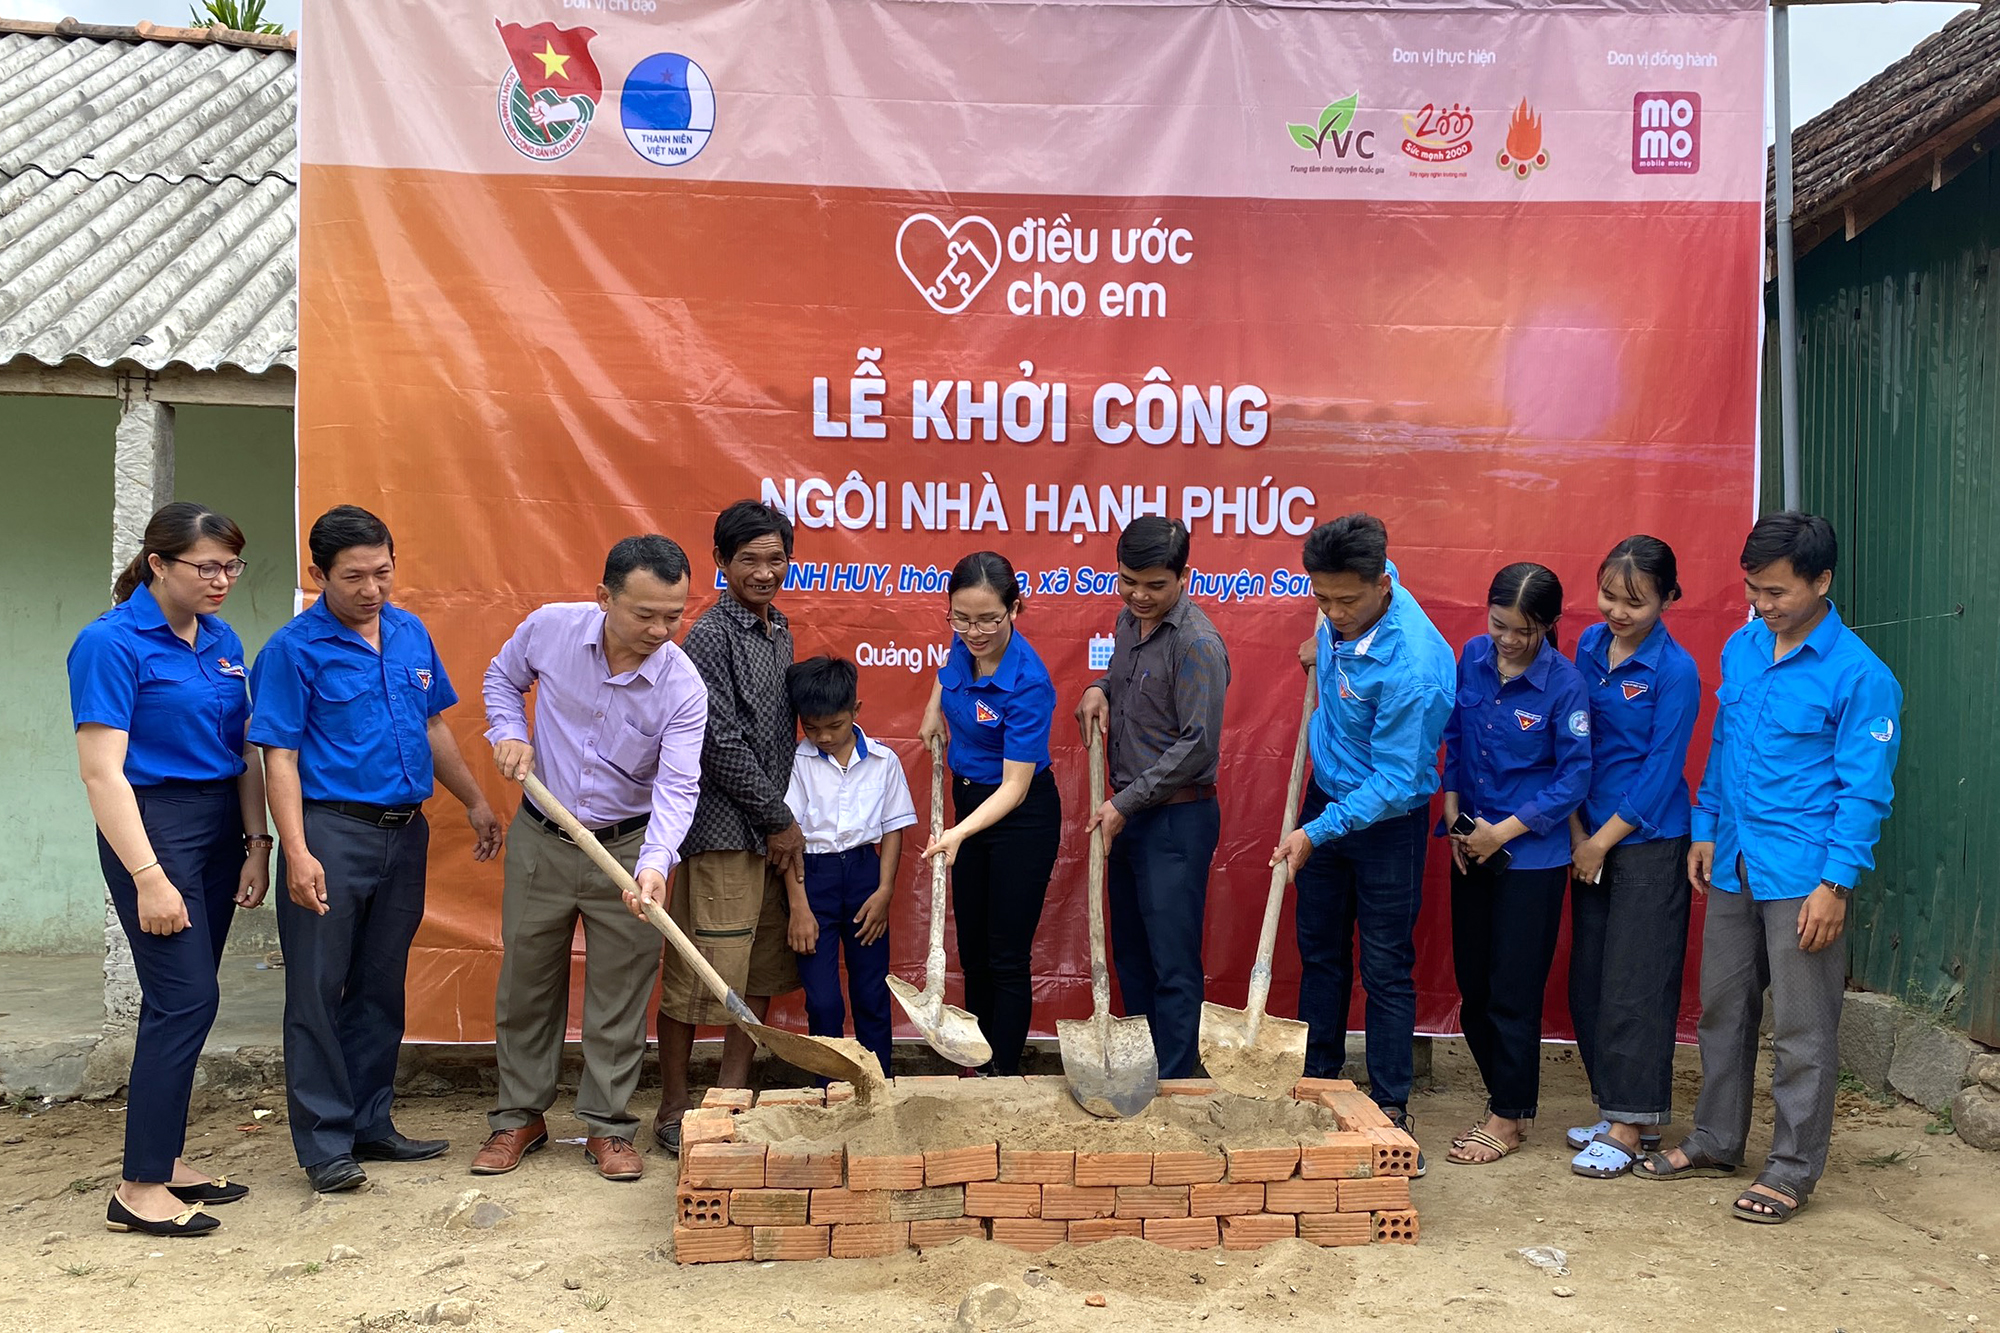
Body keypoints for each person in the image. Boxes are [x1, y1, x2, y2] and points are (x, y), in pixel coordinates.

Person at [1638, 512, 1901, 1225]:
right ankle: (1717, 1138)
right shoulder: (1744, 646)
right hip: (1734, 860)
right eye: (1754, 590)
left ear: (1823, 581)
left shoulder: (1861, 676)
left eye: (1778, 592)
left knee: (1803, 1029)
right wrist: (1706, 827)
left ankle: (1791, 1167)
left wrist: (1835, 884)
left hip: (1805, 877)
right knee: (1722, 1009)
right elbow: (1725, 744)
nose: (1763, 604)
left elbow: (1865, 791)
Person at [250, 505, 501, 1193]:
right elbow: (279, 756)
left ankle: (370, 1123)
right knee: (317, 988)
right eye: (354, 577)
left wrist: (474, 800)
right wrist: (296, 850)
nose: (371, 589)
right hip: (331, 833)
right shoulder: (292, 651)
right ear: (318, 575)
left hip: (404, 831)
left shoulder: (409, 630)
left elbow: (433, 725)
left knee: (380, 986)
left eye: (383, 572)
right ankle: (325, 1144)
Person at [472, 536, 707, 1182]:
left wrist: (655, 864)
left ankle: (607, 1125)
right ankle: (519, 1116)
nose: (661, 630)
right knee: (526, 982)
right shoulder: (549, 630)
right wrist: (509, 731)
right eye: (645, 614)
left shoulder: (682, 686)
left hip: (627, 847)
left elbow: (677, 786)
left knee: (620, 993)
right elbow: (501, 678)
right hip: (542, 837)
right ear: (604, 597)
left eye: (674, 615)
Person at [68, 503, 271, 1236]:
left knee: (182, 1002)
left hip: (218, 826)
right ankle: (139, 1186)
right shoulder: (110, 643)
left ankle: (166, 1157)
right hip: (153, 829)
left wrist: (257, 842)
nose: (222, 580)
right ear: (157, 563)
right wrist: (149, 876)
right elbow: (102, 774)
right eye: (206, 566)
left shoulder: (220, 638)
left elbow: (244, 749)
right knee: (186, 1000)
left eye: (231, 566)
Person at [1271, 514, 1455, 1166]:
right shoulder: (1342, 609)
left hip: (1385, 824)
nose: (1333, 612)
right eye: (1322, 598)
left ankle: (1390, 1105)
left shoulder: (1415, 668)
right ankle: (1317, 1082)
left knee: (1384, 966)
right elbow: (1333, 620)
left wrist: (1316, 831)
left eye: (1346, 601)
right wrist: (1323, 642)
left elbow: (1396, 782)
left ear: (1383, 585)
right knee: (1319, 952)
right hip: (1325, 796)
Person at [640, 502, 804, 1153]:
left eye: (775, 559)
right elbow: (720, 742)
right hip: (723, 833)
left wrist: (780, 823)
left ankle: (732, 1095)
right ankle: (674, 1105)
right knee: (698, 975)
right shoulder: (710, 635)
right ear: (720, 561)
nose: (764, 572)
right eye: (749, 560)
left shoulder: (779, 628)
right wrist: (778, 817)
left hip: (770, 834)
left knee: (760, 971)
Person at [1440, 563, 1592, 1166]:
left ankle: (1507, 1115)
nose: (1507, 639)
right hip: (1470, 844)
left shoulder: (1566, 685)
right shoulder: (1472, 658)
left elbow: (1574, 777)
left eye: (1523, 630)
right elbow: (1455, 738)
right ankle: (1508, 1098)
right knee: (1474, 987)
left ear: (1549, 626)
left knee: (1513, 991)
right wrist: (1454, 815)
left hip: (1530, 858)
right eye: (1498, 624)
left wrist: (1501, 831)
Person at [1073, 517, 1229, 1080]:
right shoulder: (1128, 621)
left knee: (1172, 961)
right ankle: (1143, 1073)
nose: (1139, 595)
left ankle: (1179, 1079)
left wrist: (1125, 804)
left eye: (1155, 585)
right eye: (1128, 581)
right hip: (1130, 814)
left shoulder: (1197, 644)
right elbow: (1123, 680)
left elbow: (1197, 744)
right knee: (1133, 955)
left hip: (1175, 819)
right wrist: (1098, 688)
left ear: (1184, 577)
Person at [1564, 537, 1701, 1179]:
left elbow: (1661, 771)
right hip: (1587, 834)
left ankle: (1629, 1126)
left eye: (1635, 602)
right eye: (1608, 596)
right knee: (1590, 979)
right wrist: (1576, 830)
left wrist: (1600, 841)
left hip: (1647, 842)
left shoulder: (1676, 671)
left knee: (1636, 984)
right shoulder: (1589, 646)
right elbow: (1571, 739)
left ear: (1668, 599)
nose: (1617, 612)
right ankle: (1616, 1109)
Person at [918, 551, 1060, 1076]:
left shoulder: (1028, 682)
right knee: (973, 950)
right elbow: (950, 666)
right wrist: (933, 708)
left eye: (987, 620)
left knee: (1005, 954)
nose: (973, 632)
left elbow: (1016, 788)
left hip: (1019, 818)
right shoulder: (965, 641)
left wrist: (958, 833)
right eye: (961, 618)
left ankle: (1002, 1070)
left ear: (1014, 610)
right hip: (967, 804)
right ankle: (976, 1063)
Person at [782, 655, 917, 1078]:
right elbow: (788, 841)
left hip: (864, 878)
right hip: (811, 878)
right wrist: (799, 907)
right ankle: (831, 1088)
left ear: (855, 710)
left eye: (834, 726)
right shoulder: (796, 762)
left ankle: (878, 1084)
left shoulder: (883, 761)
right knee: (823, 1001)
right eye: (811, 727)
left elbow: (893, 830)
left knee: (871, 993)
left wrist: (885, 891)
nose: (823, 736)